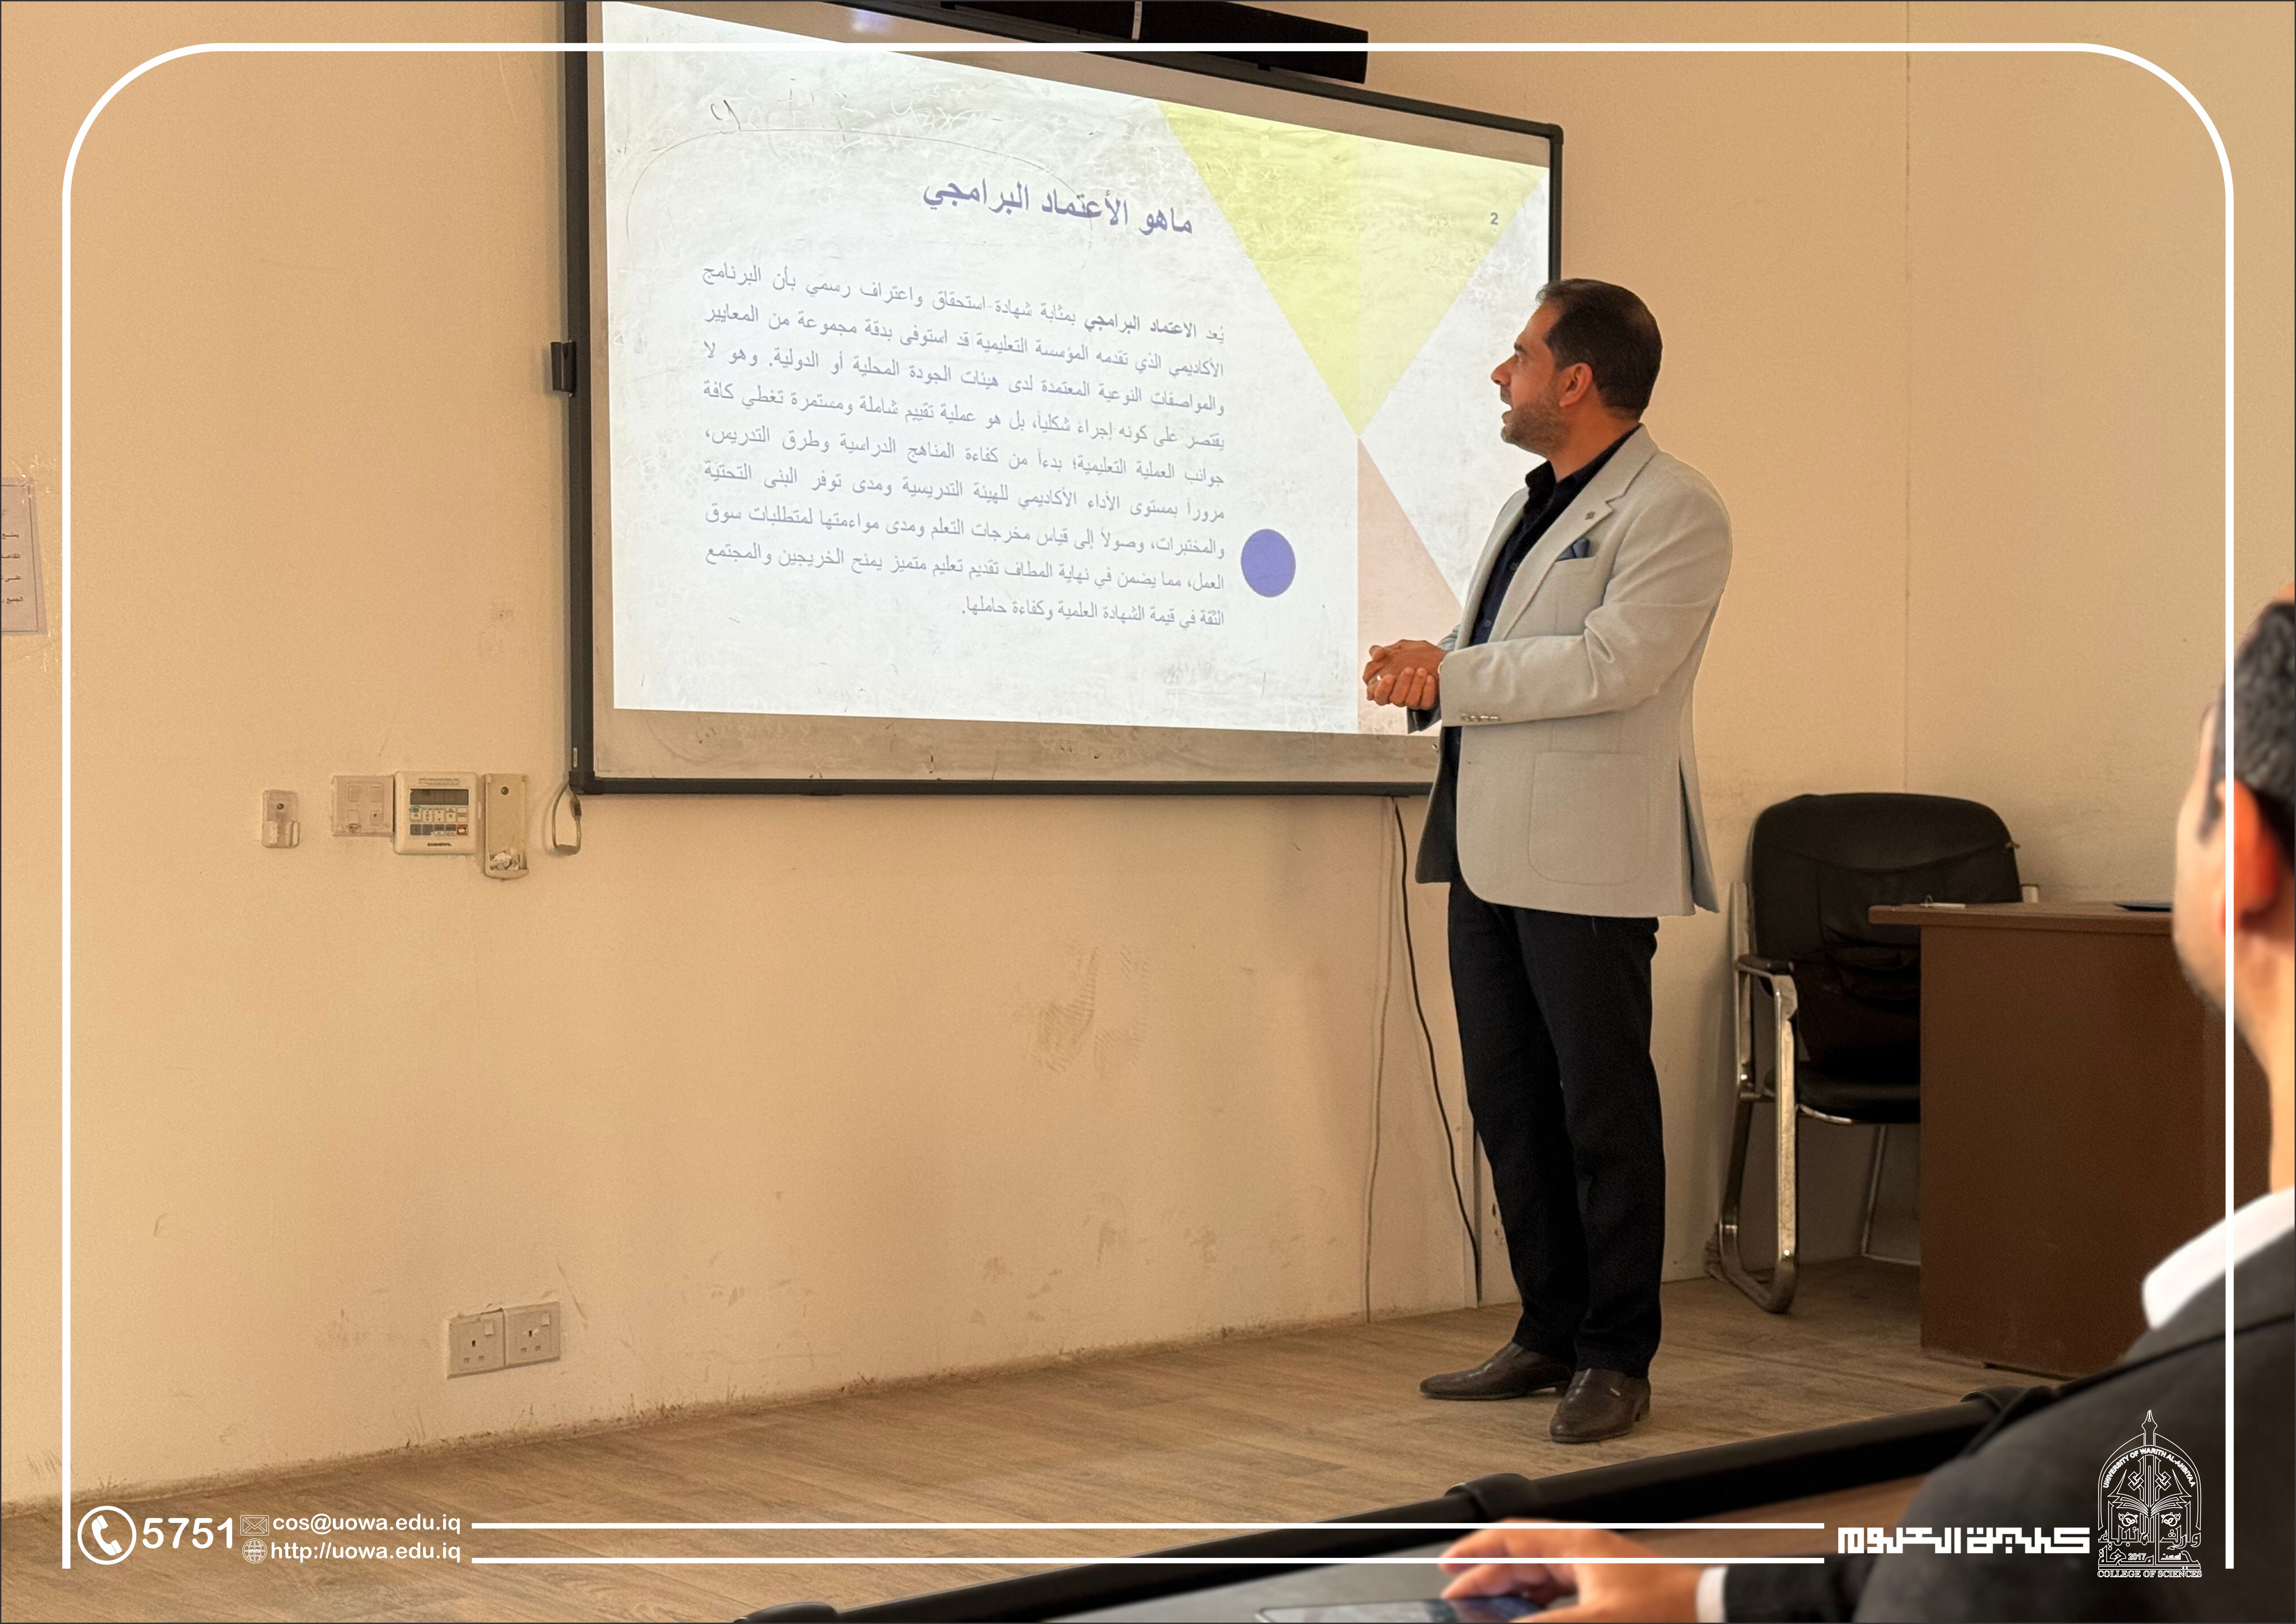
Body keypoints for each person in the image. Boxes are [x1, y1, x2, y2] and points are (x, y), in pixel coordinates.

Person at [1435, 591, 2296, 1620]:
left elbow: (1993, 1580)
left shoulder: (2076, 1504)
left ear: (2239, 857)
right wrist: (1704, 1594)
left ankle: (1609, 1354)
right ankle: (1549, 1331)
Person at [1363, 280, 1731, 1443]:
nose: (1500, 372)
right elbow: (1503, 648)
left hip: (1586, 856)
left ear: (1575, 380)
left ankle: (1616, 1355)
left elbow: (1615, 663)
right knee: (1511, 1103)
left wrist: (1454, 672)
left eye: (1518, 353)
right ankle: (1549, 1331)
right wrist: (1432, 664)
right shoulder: (1531, 501)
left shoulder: (1674, 508)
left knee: (1601, 1111)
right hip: (1485, 850)